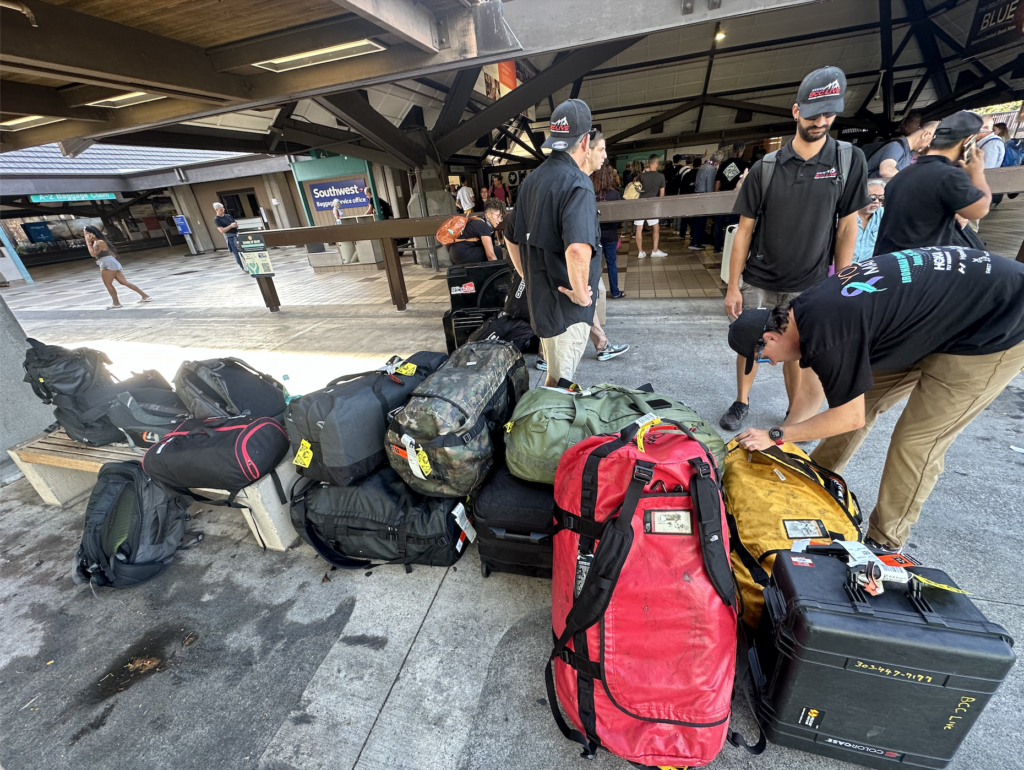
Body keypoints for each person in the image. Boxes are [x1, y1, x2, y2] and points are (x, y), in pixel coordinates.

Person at [729, 247, 1024, 551]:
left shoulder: (829, 332)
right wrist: (784, 450)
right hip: (936, 317)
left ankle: (885, 541)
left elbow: (849, 417)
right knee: (859, 401)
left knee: (916, 440)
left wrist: (775, 434)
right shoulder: (804, 313)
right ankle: (811, 484)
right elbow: (825, 402)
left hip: (996, 319)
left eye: (764, 359)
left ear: (771, 338)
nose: (773, 365)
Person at [720, 65, 870, 432]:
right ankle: (742, 400)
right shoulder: (765, 168)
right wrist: (733, 284)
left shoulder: (848, 161)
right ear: (796, 110)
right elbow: (743, 231)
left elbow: (848, 225)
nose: (821, 120)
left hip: (813, 281)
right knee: (749, 342)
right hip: (761, 277)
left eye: (829, 113)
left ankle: (794, 412)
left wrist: (842, 281)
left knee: (799, 352)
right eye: (814, 112)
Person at [504, 99, 601, 387]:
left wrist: (526, 276)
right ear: (585, 141)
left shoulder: (532, 180)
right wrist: (583, 296)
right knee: (561, 387)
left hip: (542, 305)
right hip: (566, 312)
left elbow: (510, 237)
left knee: (554, 378)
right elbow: (577, 248)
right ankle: (545, 430)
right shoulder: (578, 184)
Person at [873, 111, 991, 256]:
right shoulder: (949, 176)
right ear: (968, 141)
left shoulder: (904, 173)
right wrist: (977, 172)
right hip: (919, 266)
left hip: (890, 261)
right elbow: (979, 210)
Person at [84, 225, 152, 309]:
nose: (85, 236)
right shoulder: (100, 241)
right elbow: (113, 254)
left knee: (108, 284)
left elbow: (93, 254)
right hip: (110, 262)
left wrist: (88, 243)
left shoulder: (99, 242)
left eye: (86, 234)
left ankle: (116, 303)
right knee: (124, 282)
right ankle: (145, 296)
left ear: (91, 234)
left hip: (107, 264)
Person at [592, 163, 626, 299]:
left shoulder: (590, 193)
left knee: (594, 264)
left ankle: (593, 292)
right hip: (611, 234)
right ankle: (615, 292)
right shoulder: (615, 194)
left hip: (594, 234)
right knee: (611, 263)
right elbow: (619, 219)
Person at [867, 120, 939, 178]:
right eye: (931, 142)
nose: (929, 145)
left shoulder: (908, 152)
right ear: (925, 135)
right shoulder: (896, 147)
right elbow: (886, 170)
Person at [448, 198, 507, 265]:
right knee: (497, 251)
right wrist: (499, 269)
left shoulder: (478, 219)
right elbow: (490, 256)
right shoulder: (483, 226)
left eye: (501, 217)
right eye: (497, 216)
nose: (499, 220)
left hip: (453, 253)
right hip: (461, 254)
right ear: (488, 214)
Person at [712, 150, 748, 254]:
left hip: (723, 196)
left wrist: (717, 195)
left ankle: (717, 247)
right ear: (741, 150)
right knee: (734, 224)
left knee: (719, 223)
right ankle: (732, 248)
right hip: (735, 197)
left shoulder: (723, 164)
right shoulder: (745, 164)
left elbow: (717, 182)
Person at [634, 154, 667, 259]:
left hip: (639, 204)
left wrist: (643, 172)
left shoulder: (642, 175)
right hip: (652, 205)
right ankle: (655, 250)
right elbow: (662, 195)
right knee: (655, 228)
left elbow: (634, 186)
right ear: (657, 163)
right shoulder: (661, 176)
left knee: (639, 228)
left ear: (648, 163)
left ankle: (640, 252)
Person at [687, 151, 720, 251]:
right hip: (704, 196)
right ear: (718, 160)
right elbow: (709, 185)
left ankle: (696, 239)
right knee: (701, 221)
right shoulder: (711, 169)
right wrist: (711, 199)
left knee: (698, 220)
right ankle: (695, 242)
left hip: (698, 194)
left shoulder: (704, 166)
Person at [853, 179, 886, 263]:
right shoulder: (847, 215)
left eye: (881, 199)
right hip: (843, 268)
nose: (877, 202)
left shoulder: (883, 214)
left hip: (869, 268)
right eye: (872, 198)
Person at [213, 202, 245, 271]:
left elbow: (236, 225)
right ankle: (243, 267)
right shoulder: (217, 219)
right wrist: (230, 226)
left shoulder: (228, 216)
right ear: (216, 210)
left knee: (243, 250)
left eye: (223, 209)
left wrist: (235, 225)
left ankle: (247, 264)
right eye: (220, 210)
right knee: (236, 253)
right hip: (230, 237)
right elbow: (221, 230)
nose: (222, 211)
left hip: (237, 234)